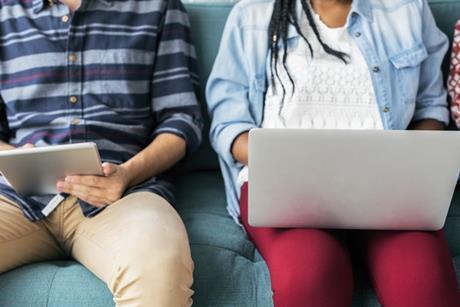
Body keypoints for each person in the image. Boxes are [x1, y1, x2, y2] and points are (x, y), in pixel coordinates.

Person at [207, 0, 460, 306]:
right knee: (309, 278)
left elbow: (431, 106)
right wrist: (283, 163)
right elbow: (229, 124)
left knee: (424, 284)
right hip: (289, 189)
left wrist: (408, 160)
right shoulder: (251, 15)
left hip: (388, 189)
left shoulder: (407, 9)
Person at [0, 0, 202, 306]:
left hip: (125, 193)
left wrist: (127, 174)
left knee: (160, 271)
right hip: (16, 196)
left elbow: (182, 120)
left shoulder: (159, 6)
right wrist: (14, 157)